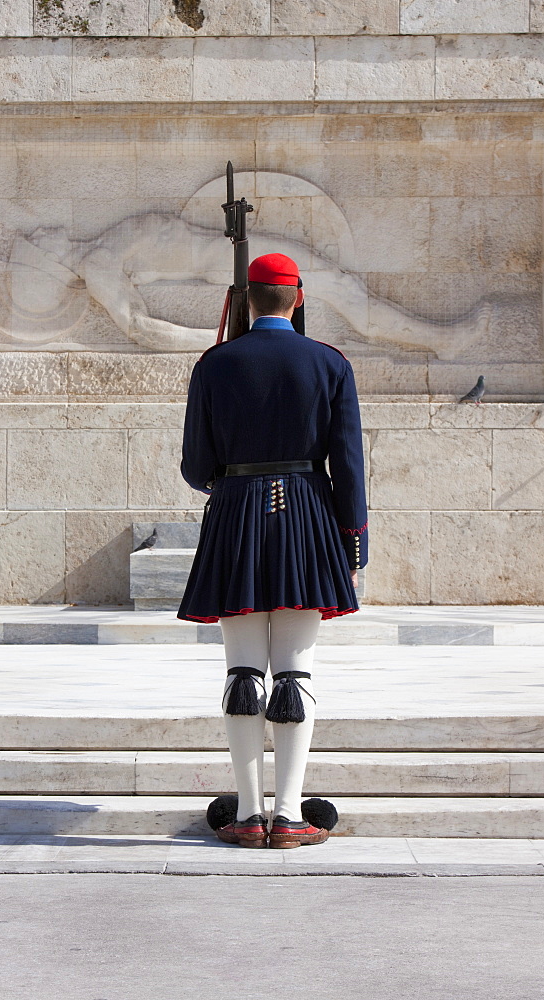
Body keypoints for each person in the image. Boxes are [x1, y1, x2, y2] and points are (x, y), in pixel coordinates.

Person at [177, 252, 368, 849]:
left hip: (235, 513)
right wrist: (352, 538)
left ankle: (248, 815)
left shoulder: (216, 364)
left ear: (244, 302)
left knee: (241, 672)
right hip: (308, 514)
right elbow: (350, 464)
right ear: (298, 299)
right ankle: (289, 816)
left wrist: (236, 486)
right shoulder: (329, 363)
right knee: (295, 670)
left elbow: (195, 465)